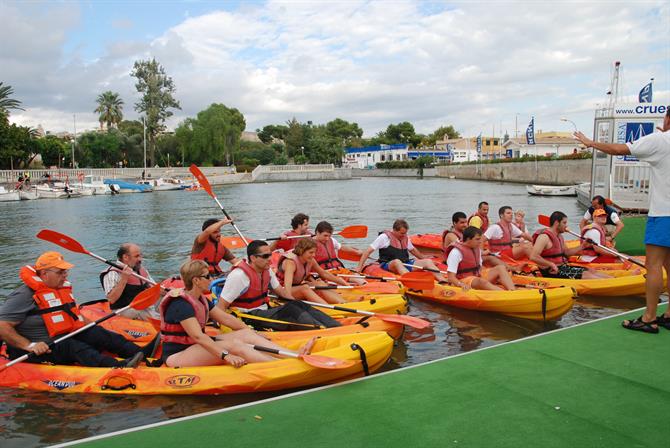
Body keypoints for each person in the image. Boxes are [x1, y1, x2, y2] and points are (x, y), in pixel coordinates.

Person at [575, 108, 670, 333]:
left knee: (654, 265)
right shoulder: (661, 141)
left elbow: (618, 149)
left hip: (664, 214)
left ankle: (649, 317)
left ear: (668, 118)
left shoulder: (660, 140)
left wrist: (591, 143)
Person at [0, 252, 147, 368]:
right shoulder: (23, 295)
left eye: (65, 271)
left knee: (99, 334)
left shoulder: (59, 289)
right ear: (44, 274)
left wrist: (93, 328)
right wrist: (29, 346)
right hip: (39, 347)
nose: (65, 275)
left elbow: (74, 315)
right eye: (60, 272)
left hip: (63, 335)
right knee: (73, 347)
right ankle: (118, 366)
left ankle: (142, 353)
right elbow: (2, 326)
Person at [160, 259, 316, 367]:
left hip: (194, 346)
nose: (211, 279)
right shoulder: (180, 304)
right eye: (207, 276)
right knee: (234, 346)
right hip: (178, 355)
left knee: (246, 335)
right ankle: (282, 366)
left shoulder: (200, 299)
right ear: (196, 280)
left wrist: (251, 332)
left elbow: (225, 318)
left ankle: (294, 354)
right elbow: (197, 336)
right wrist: (225, 355)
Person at [217, 240, 341, 331]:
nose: (270, 259)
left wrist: (297, 304)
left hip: (264, 310)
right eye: (265, 256)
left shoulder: (266, 270)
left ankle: (335, 327)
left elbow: (281, 292)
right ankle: (321, 330)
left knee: (297, 304)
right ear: (253, 258)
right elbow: (220, 307)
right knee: (291, 310)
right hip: (248, 316)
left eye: (270, 255)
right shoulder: (239, 276)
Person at [356, 219, 447, 282]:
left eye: (405, 233)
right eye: (402, 233)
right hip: (388, 264)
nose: (404, 235)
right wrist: (359, 268)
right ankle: (413, 281)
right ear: (394, 230)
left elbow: (413, 250)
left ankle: (442, 280)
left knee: (427, 262)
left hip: (405, 263)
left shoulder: (405, 238)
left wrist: (423, 258)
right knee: (397, 262)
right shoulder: (384, 237)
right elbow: (367, 251)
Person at [529, 211, 612, 280]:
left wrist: (583, 246)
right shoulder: (544, 237)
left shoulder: (559, 236)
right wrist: (551, 264)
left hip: (562, 267)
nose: (566, 226)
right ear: (556, 223)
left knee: (591, 270)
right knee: (586, 275)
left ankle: (613, 280)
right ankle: (610, 283)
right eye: (564, 223)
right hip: (551, 271)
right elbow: (533, 256)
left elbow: (567, 253)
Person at [276, 238, 351, 304]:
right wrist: (290, 303)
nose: (314, 255)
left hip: (296, 287)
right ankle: (327, 308)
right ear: (302, 251)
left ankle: (343, 302)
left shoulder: (310, 260)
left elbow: (324, 274)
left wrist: (343, 282)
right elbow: (287, 287)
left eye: (314, 252)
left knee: (320, 284)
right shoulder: (291, 263)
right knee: (304, 288)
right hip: (281, 291)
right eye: (311, 252)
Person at [444, 226, 516, 291]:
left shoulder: (476, 249)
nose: (480, 242)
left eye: (480, 239)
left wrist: (493, 275)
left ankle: (512, 290)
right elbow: (451, 277)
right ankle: (504, 294)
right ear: (468, 239)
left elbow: (480, 267)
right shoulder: (456, 252)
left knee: (501, 268)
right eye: (477, 239)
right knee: (481, 281)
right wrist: (460, 284)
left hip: (477, 276)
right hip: (463, 279)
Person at [100, 243, 158, 321]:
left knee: (168, 298)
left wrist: (166, 292)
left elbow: (154, 288)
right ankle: (163, 324)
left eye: (141, 255)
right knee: (140, 311)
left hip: (143, 305)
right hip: (124, 309)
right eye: (137, 256)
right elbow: (111, 299)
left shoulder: (140, 269)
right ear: (125, 257)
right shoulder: (112, 273)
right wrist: (124, 278)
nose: (140, 259)